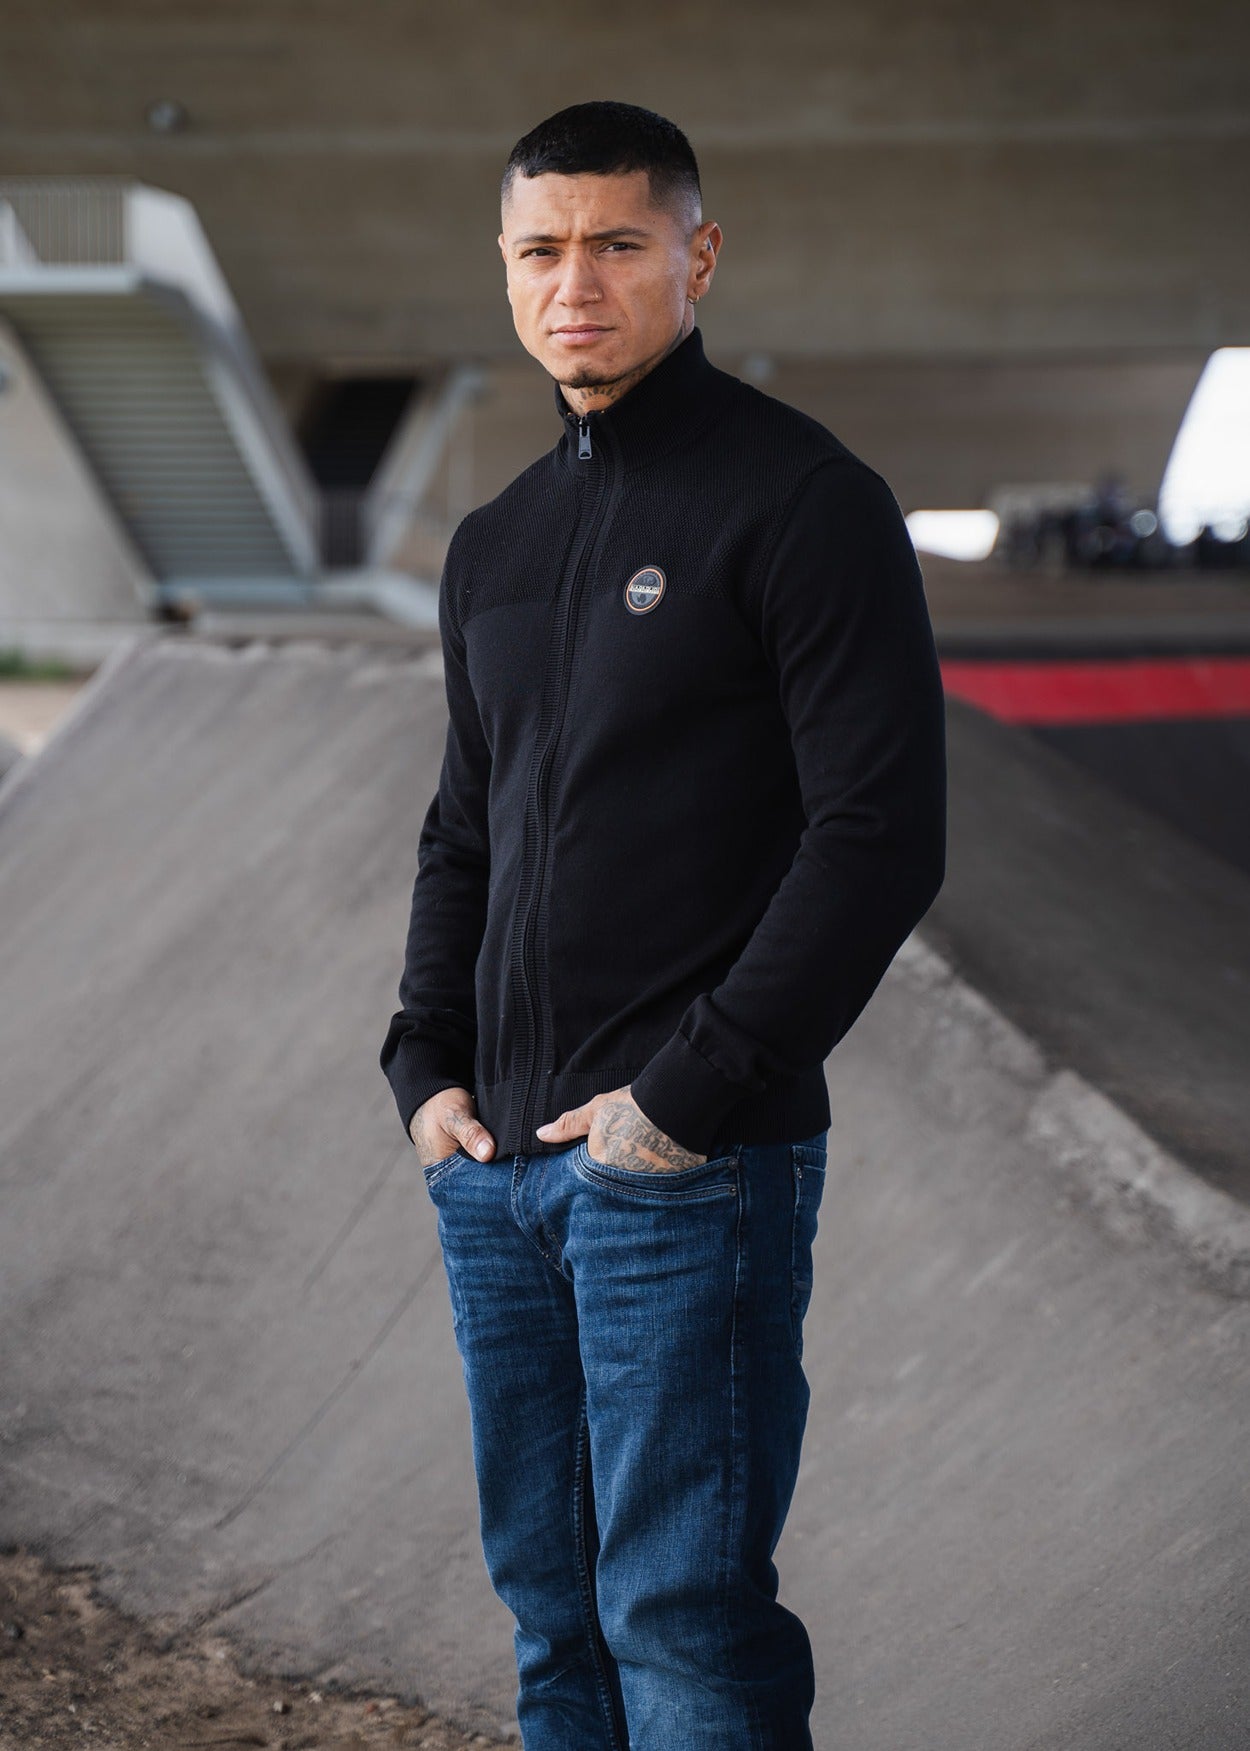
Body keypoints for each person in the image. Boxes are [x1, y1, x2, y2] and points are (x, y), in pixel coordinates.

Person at [380, 100, 946, 1751]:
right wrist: (423, 1065)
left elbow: (879, 837)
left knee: (680, 1618)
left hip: (684, 1165)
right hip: (497, 1174)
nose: (576, 284)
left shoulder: (800, 499)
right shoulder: (495, 541)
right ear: (503, 271)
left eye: (617, 245)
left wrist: (683, 1101)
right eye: (541, 250)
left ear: (696, 259)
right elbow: (464, 830)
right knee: (553, 1623)